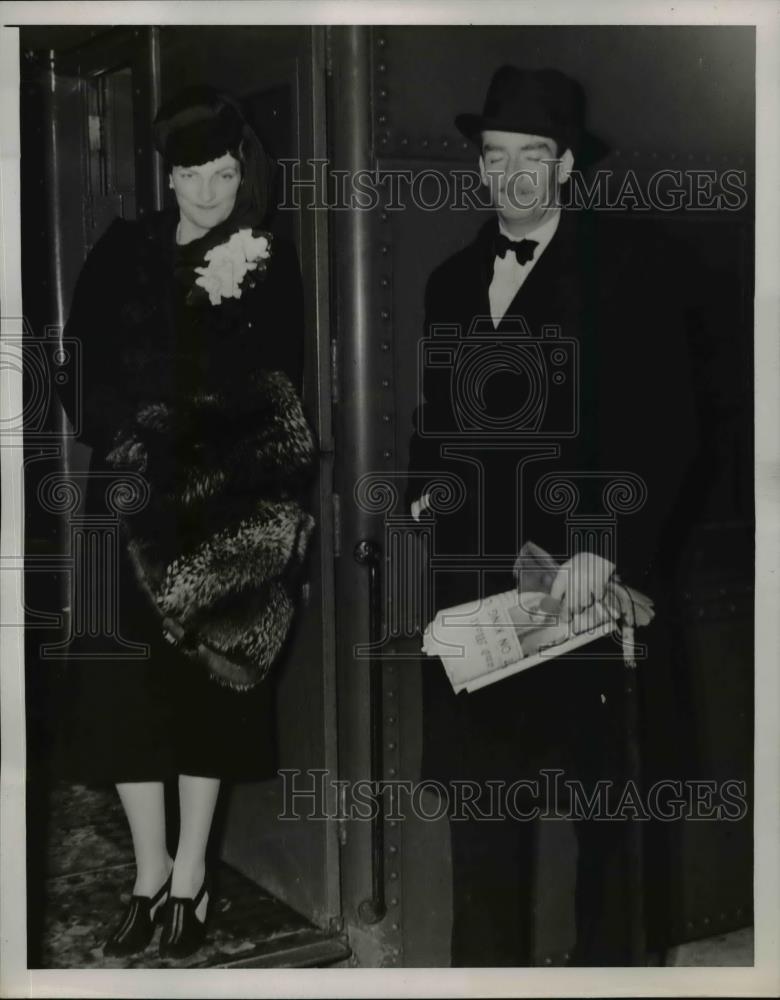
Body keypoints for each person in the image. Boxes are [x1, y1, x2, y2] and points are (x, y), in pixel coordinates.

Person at [406, 66, 720, 965]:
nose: (512, 174)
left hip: (590, 586)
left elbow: (670, 429)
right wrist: (428, 484)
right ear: (479, 166)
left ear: (567, 165)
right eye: (495, 155)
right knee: (482, 818)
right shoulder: (448, 282)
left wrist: (601, 544)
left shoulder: (632, 268)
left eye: (532, 155)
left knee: (611, 826)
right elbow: (439, 421)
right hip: (481, 591)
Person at [53, 86, 315, 960]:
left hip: (222, 503)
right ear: (167, 176)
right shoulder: (121, 250)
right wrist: (135, 434)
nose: (207, 193)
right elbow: (79, 369)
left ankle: (193, 874)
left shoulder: (270, 259)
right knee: (122, 696)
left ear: (244, 174)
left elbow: (280, 387)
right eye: (191, 175)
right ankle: (149, 873)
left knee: (208, 686)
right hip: (130, 498)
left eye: (223, 175)